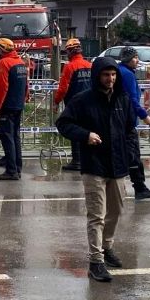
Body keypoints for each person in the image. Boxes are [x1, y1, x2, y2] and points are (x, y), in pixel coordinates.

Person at [56, 57, 140, 282]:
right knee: (97, 215)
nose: (110, 79)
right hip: (94, 166)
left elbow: (130, 129)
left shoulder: (123, 98)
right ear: (97, 76)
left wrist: (131, 156)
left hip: (118, 165)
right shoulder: (83, 100)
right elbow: (63, 123)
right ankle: (96, 261)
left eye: (113, 75)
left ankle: (107, 247)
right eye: (105, 75)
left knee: (116, 211)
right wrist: (86, 135)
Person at [117, 46, 150, 200]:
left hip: (121, 119)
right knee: (133, 155)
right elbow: (131, 99)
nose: (137, 60)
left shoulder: (120, 71)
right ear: (128, 59)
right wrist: (144, 115)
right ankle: (140, 188)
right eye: (135, 57)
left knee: (128, 154)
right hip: (127, 120)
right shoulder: (127, 74)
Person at [0, 38, 29, 181]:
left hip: (7, 106)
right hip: (18, 105)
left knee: (7, 138)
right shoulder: (20, 62)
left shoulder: (4, 63)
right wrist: (25, 98)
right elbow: (26, 84)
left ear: (2, 50)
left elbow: (2, 87)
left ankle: (11, 171)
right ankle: (17, 168)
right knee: (15, 137)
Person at [54, 38, 92, 171]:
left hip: (74, 105)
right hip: (89, 103)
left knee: (75, 131)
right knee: (86, 131)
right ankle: (86, 159)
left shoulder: (70, 67)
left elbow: (63, 88)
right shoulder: (89, 65)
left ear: (70, 51)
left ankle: (77, 160)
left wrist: (56, 102)